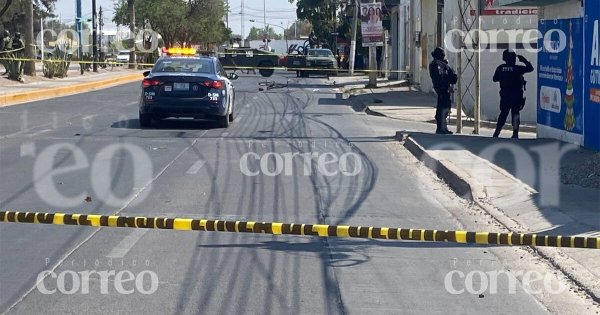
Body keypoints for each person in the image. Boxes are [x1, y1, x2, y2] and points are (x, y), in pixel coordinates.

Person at [492, 50, 534, 139]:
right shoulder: (517, 68)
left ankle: (496, 133)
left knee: (503, 113)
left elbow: (495, 79)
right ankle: (515, 133)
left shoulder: (500, 68)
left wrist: (504, 78)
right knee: (515, 114)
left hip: (505, 95)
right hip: (516, 95)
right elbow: (530, 68)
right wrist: (524, 60)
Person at [429, 47, 457, 134]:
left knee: (445, 107)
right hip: (442, 89)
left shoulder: (441, 64)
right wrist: (446, 86)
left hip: (442, 88)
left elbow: (452, 77)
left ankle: (443, 127)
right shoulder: (437, 64)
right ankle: (441, 128)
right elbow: (441, 77)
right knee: (443, 108)